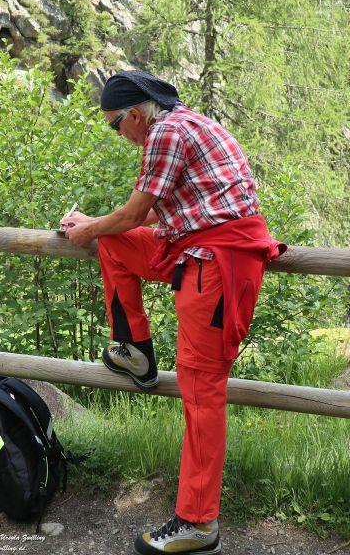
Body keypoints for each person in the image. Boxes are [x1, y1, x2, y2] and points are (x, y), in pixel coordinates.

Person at [60, 70, 286, 555]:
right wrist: (94, 227)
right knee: (114, 244)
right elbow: (140, 221)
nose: (117, 135)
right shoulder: (183, 126)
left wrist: (87, 228)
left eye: (114, 125)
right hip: (195, 252)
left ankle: (198, 523)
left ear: (135, 115)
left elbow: (134, 212)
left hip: (218, 263)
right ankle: (136, 352)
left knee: (201, 391)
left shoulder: (165, 132)